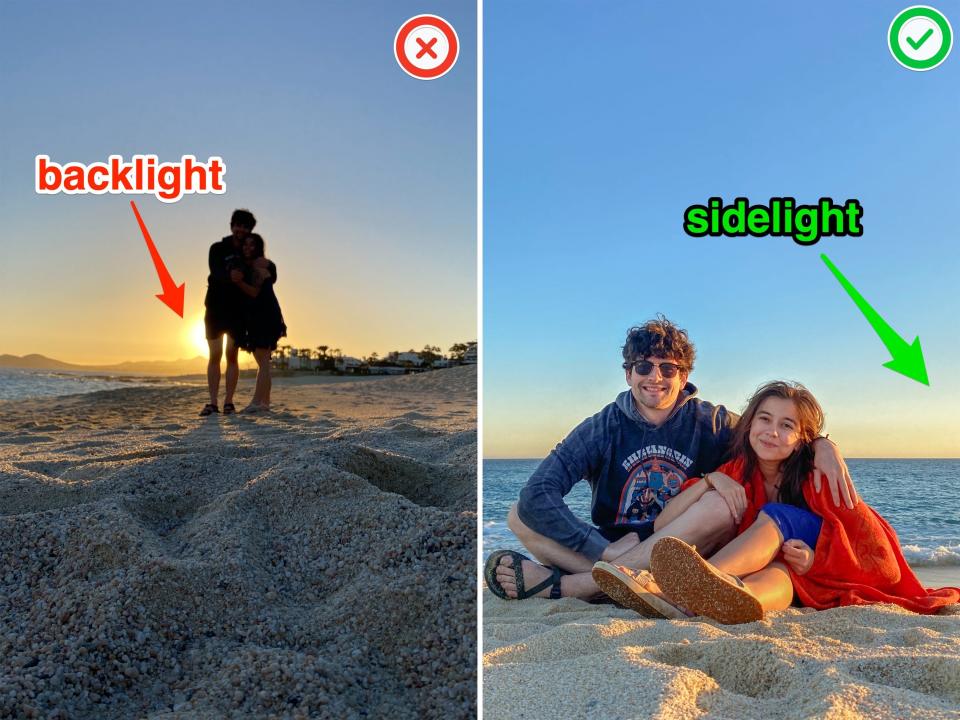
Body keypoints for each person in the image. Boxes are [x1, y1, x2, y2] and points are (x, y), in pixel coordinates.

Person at [484, 317, 857, 602]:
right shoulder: (601, 428)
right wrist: (602, 548)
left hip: (684, 547)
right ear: (628, 373)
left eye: (668, 368)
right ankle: (624, 584)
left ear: (684, 376)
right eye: (644, 367)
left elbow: (773, 435)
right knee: (519, 513)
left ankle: (571, 587)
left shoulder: (711, 422)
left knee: (719, 506)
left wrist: (824, 445)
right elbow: (538, 493)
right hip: (619, 544)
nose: (655, 377)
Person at [595, 381, 960, 623]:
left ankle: (689, 590)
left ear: (803, 438)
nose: (772, 431)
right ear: (749, 424)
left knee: (778, 517)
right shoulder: (738, 468)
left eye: (787, 426)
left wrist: (817, 560)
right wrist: (710, 481)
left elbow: (881, 561)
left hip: (827, 558)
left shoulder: (819, 473)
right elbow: (664, 524)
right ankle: (736, 597)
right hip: (795, 572)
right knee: (780, 576)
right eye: (764, 419)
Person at [201, 209, 256, 416]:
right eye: (238, 225)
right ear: (232, 225)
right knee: (214, 356)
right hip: (215, 308)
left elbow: (257, 275)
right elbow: (215, 270)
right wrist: (230, 275)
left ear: (250, 230)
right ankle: (212, 403)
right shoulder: (217, 248)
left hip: (238, 312)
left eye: (245, 226)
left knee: (232, 357)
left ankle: (229, 403)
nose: (241, 229)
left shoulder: (250, 252)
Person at [232, 233, 286, 413]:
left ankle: (257, 402)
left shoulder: (260, 264)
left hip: (265, 314)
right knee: (263, 361)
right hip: (259, 315)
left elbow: (255, 292)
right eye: (245, 245)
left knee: (263, 361)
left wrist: (239, 282)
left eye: (252, 245)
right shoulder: (251, 265)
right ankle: (265, 403)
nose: (248, 248)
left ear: (258, 247)